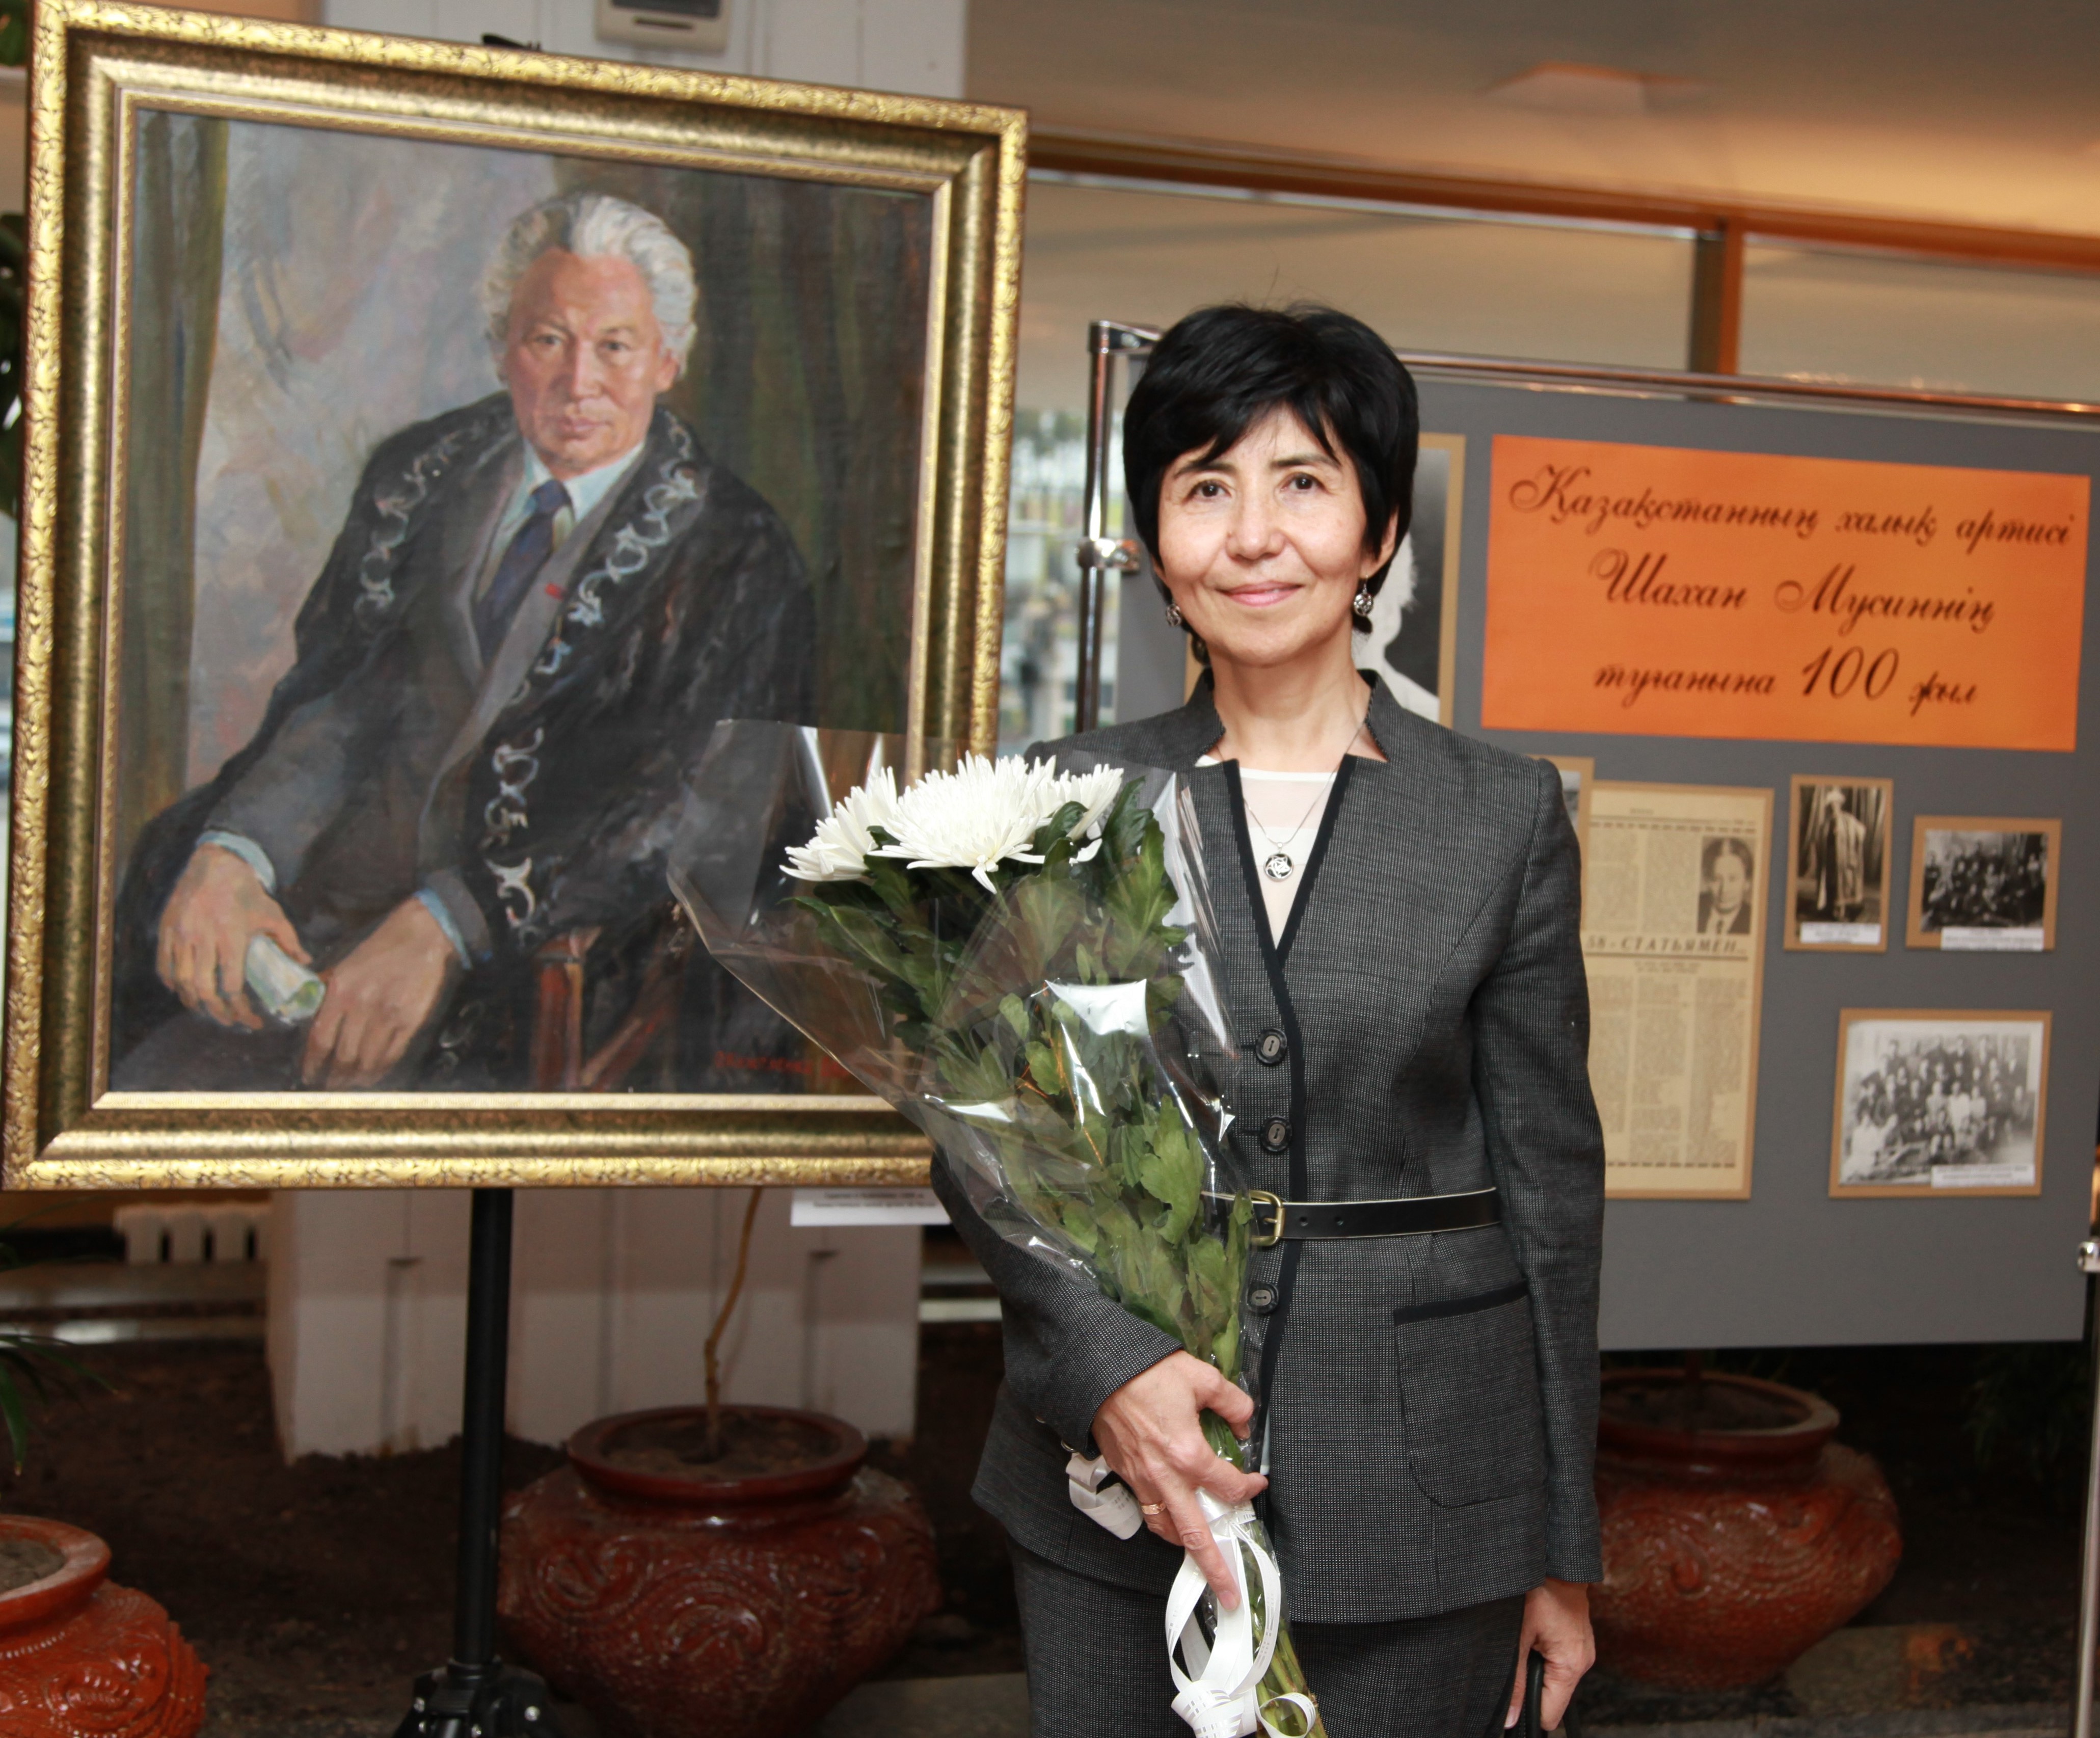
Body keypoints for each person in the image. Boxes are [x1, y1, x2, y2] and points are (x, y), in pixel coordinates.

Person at [930, 304, 1605, 1738]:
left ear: (1376, 531)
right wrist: (1105, 1366)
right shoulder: (1064, 798)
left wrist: (1561, 1541)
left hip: (1423, 1490)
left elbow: (1550, 1195)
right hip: (1118, 1485)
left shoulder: (1497, 816)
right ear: (1151, 543)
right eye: (1204, 487)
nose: (1252, 537)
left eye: (1302, 482)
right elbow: (987, 1138)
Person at [112, 191, 814, 1089]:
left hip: (529, 975)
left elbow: (686, 807)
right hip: (313, 934)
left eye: (615, 346)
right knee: (148, 1077)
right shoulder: (419, 473)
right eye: (548, 339)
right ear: (500, 349)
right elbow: (334, 703)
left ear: (668, 359)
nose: (579, 382)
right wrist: (236, 853)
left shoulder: (737, 551)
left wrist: (449, 920)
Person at [1698, 838, 1755, 936]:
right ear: (1708, 881)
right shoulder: (1696, 906)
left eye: (1733, 879)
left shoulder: (1753, 919)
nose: (1724, 890)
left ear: (1747, 883)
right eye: (1717, 879)